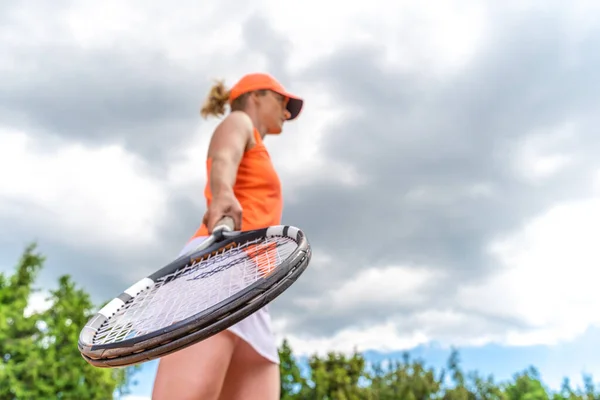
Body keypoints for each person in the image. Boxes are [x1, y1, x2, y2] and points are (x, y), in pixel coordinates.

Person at [152, 72, 304, 400]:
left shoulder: (260, 146)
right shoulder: (238, 121)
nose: (287, 112)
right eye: (282, 101)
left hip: (254, 286)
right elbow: (223, 159)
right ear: (256, 97)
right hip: (217, 267)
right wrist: (222, 194)